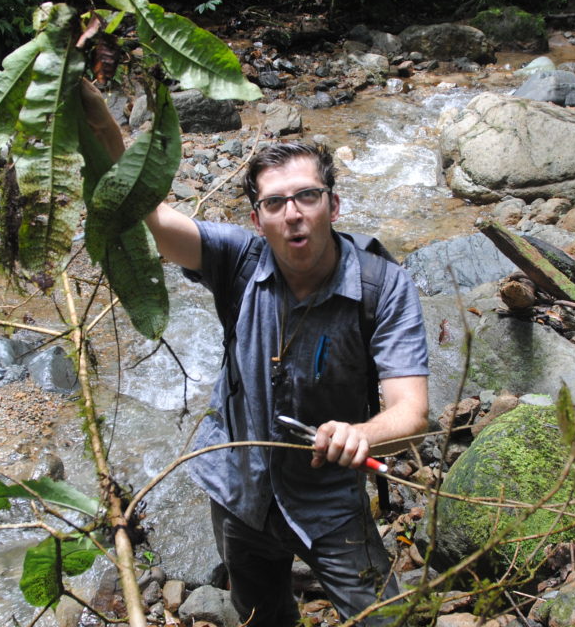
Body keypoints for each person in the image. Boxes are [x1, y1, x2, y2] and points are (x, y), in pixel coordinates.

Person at [145, 141, 430, 626]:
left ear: (333, 205)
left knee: (386, 619)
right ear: (258, 219)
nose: (292, 214)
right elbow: (155, 218)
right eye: (275, 203)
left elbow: (413, 414)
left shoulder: (382, 287)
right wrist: (101, 128)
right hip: (240, 492)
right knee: (262, 618)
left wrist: (362, 435)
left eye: (307, 197)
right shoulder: (237, 260)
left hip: (330, 501)